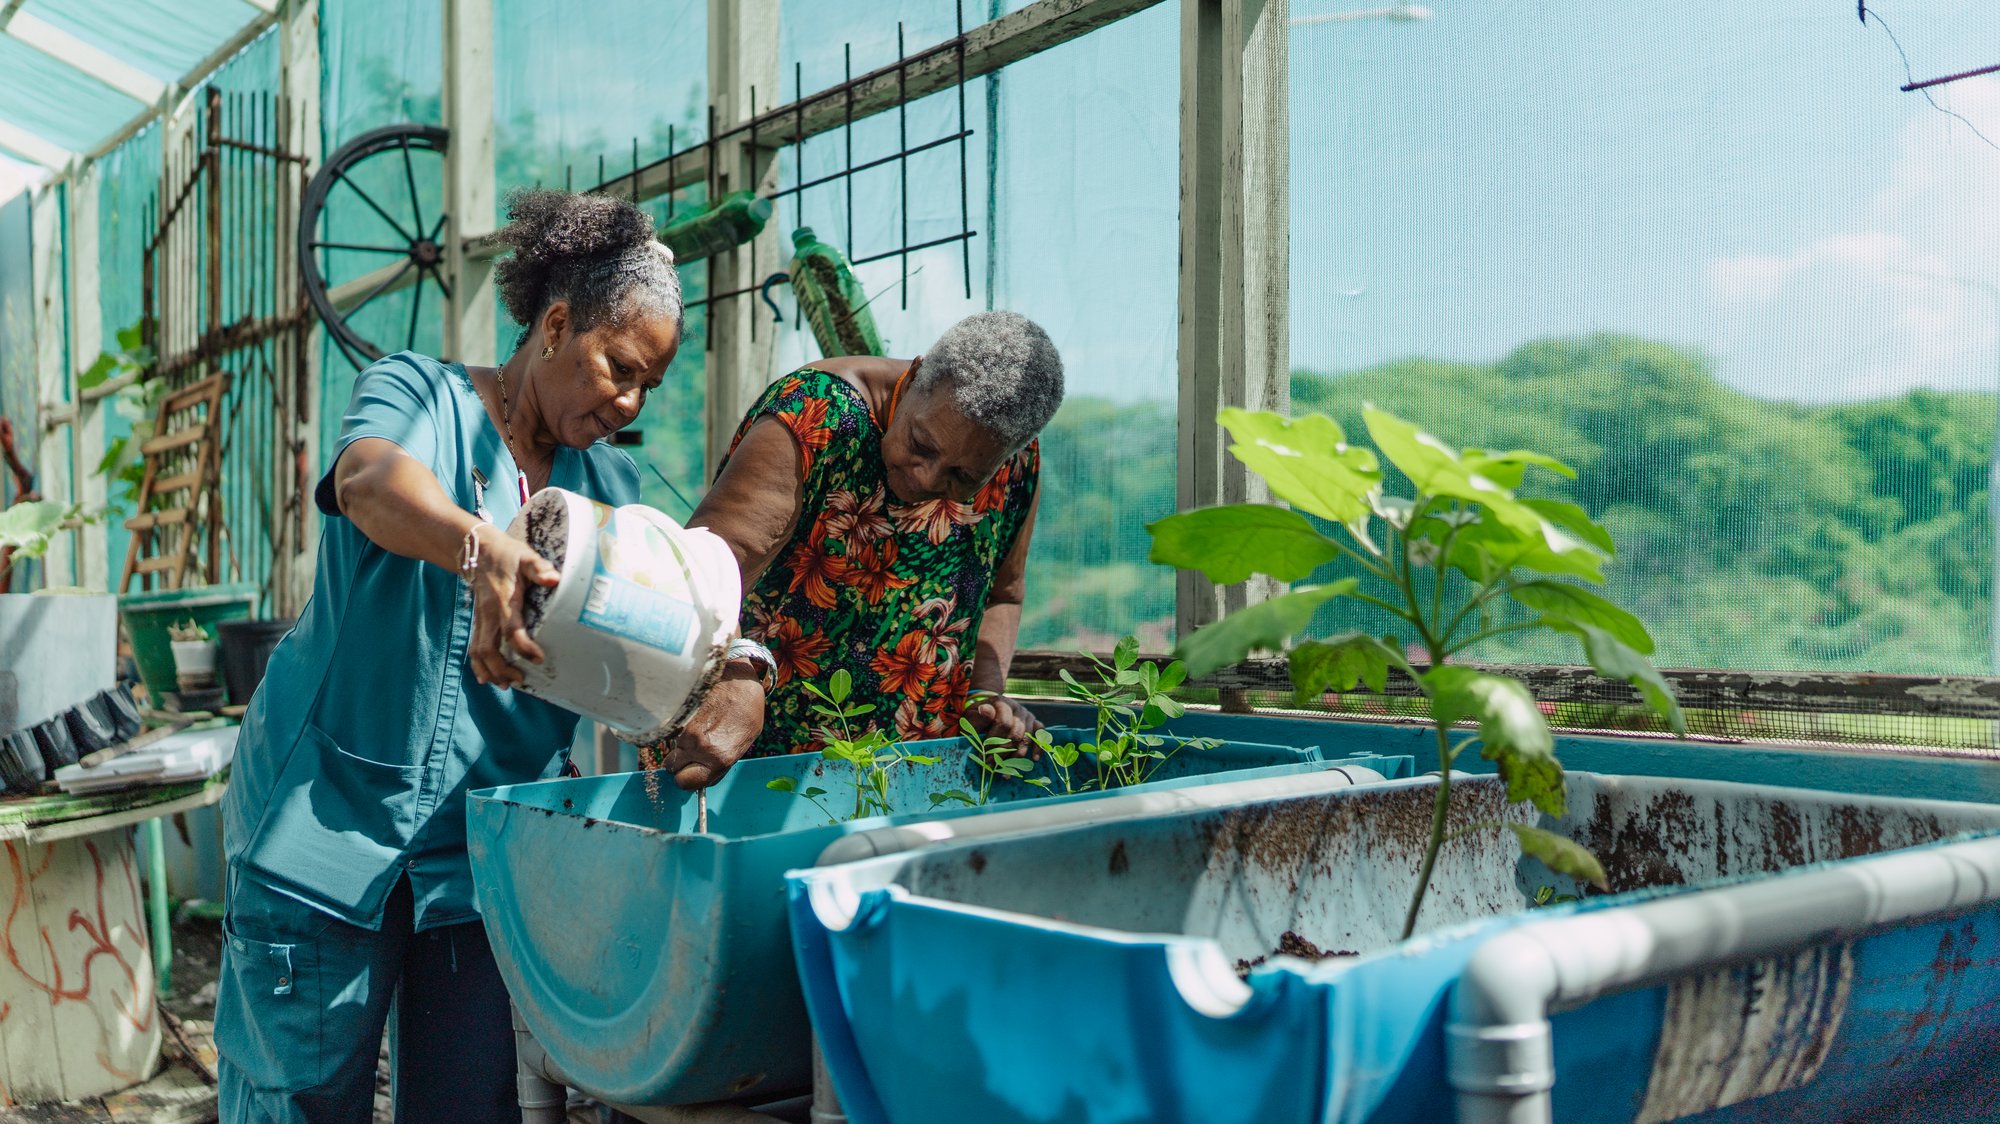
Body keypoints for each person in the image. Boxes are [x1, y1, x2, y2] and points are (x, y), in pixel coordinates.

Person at [213, 190, 760, 1123]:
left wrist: (739, 668)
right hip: (323, 831)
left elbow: (684, 611)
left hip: (474, 866)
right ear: (555, 325)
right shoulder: (419, 394)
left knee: (469, 1105)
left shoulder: (608, 488)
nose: (627, 403)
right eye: (617, 367)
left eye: (648, 388)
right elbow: (370, 481)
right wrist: (485, 550)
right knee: (297, 1098)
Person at [656, 311, 1064, 788]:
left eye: (962, 478)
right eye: (921, 444)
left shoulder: (1014, 467)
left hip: (905, 778)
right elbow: (700, 575)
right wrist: (737, 666)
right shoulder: (816, 416)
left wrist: (985, 696)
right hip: (741, 757)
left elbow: (1004, 594)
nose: (927, 478)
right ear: (914, 378)